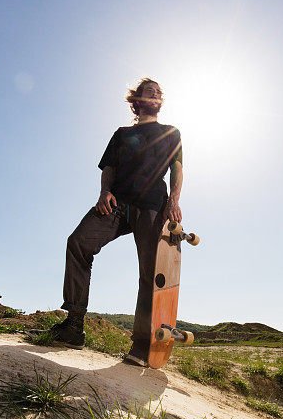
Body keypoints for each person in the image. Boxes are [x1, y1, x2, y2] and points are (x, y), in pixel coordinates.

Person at [49, 78, 183, 367]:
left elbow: (177, 169)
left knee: (150, 272)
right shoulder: (121, 134)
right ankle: (73, 326)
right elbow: (108, 167)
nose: (156, 94)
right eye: (151, 90)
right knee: (78, 243)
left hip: (152, 206)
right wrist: (104, 191)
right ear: (137, 99)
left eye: (160, 92)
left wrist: (173, 200)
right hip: (116, 202)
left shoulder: (171, 133)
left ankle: (142, 345)